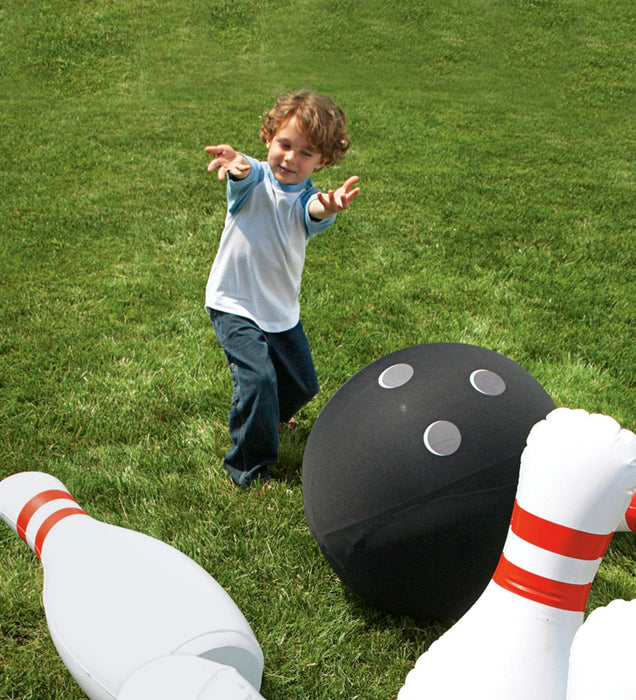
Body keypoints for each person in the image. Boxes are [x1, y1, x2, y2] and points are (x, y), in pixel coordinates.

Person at [204, 90, 360, 488]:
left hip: (279, 310)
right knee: (258, 380)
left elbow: (314, 211)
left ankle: (266, 416)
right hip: (234, 302)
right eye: (284, 144)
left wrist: (332, 204)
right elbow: (243, 174)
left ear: (321, 161)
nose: (290, 158)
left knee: (303, 384)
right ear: (269, 138)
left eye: (305, 153)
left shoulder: (310, 199)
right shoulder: (254, 178)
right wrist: (237, 166)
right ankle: (249, 468)